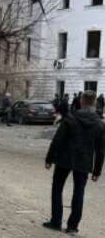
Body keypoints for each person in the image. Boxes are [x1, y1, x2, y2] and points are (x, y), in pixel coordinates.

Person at [43, 91, 105, 234]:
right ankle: (72, 226)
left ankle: (56, 221)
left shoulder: (70, 118)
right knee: (79, 192)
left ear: (81, 101)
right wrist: (97, 171)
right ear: (95, 103)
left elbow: (57, 139)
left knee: (57, 188)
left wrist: (49, 159)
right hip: (84, 162)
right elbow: (101, 150)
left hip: (64, 158)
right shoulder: (99, 124)